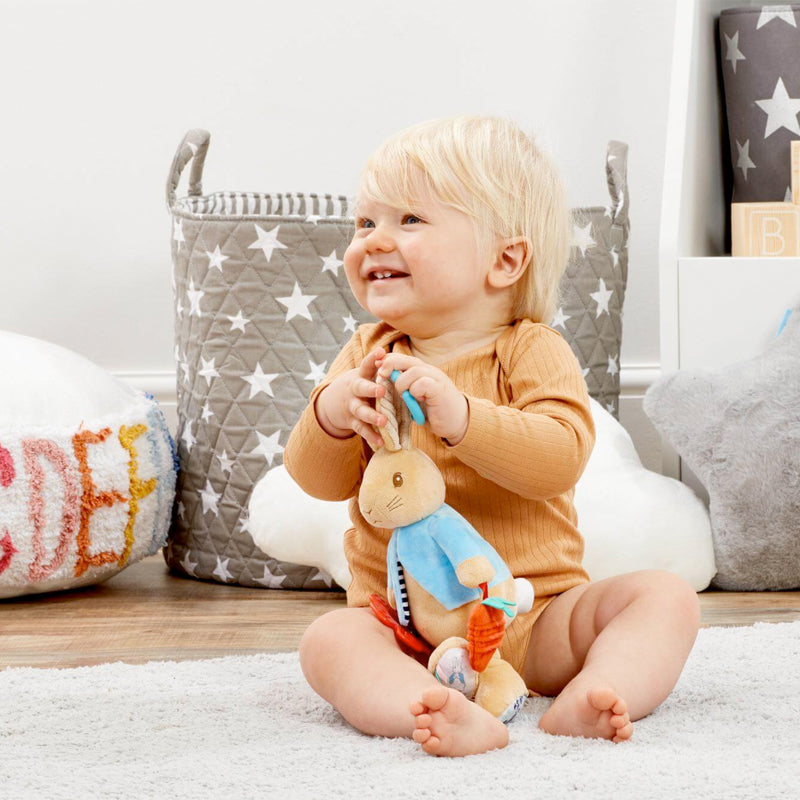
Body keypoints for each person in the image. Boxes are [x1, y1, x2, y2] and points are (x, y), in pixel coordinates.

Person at [284, 116, 700, 757]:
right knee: (328, 642)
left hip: (532, 615)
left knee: (665, 598)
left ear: (505, 260)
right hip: (403, 631)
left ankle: (597, 690)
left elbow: (558, 460)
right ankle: (431, 706)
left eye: (409, 221)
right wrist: (333, 414)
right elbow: (316, 478)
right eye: (365, 223)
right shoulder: (367, 354)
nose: (373, 241)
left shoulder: (532, 350)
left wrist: (463, 421)